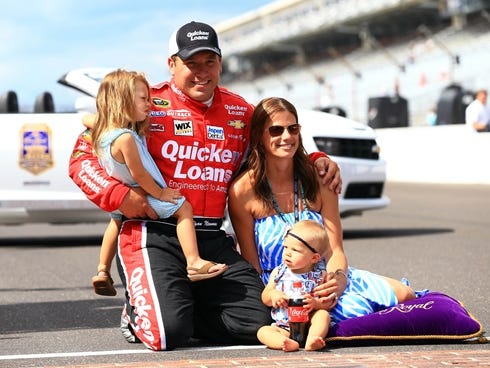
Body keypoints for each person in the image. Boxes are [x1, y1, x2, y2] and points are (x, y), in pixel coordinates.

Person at [68, 21, 341, 351]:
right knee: (168, 334)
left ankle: (180, 303)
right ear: (171, 64)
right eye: (191, 63)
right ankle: (142, 311)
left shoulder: (240, 110)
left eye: (209, 62)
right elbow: (83, 154)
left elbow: (280, 138)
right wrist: (119, 195)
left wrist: (317, 158)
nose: (201, 72)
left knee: (262, 322)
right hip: (153, 232)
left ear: (220, 63)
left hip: (211, 237)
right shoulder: (146, 103)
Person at [228, 96, 423, 328]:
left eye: (293, 129)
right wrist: (275, 295)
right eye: (276, 130)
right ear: (259, 136)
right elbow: (253, 264)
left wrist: (338, 281)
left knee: (405, 295)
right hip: (284, 285)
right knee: (354, 311)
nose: (287, 137)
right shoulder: (242, 191)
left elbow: (335, 250)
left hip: (326, 276)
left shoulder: (320, 179)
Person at [88, 69, 228, 297]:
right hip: (143, 194)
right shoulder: (125, 138)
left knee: (114, 224)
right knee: (184, 209)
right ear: (123, 100)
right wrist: (160, 193)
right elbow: (140, 174)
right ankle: (193, 260)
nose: (149, 104)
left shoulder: (103, 133)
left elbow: (89, 120)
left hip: (120, 197)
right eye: (143, 99)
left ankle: (102, 270)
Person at [257, 219, 330, 352]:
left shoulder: (319, 275)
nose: (288, 253)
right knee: (263, 331)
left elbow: (328, 302)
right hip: (285, 326)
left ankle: (313, 339)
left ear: (314, 258)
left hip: (308, 324)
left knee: (323, 315)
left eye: (295, 250)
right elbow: (265, 296)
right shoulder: (279, 272)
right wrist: (274, 295)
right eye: (285, 247)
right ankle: (284, 342)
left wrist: (316, 303)